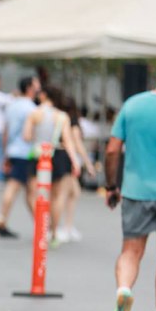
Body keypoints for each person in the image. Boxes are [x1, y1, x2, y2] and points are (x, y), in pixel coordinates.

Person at [106, 62, 156, 311]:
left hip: (135, 190)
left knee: (131, 251)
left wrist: (112, 185)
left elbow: (112, 150)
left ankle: (124, 290)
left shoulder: (133, 105)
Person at [22, 85, 80, 246]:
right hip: (58, 156)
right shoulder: (63, 116)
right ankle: (53, 232)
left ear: (44, 95)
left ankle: (41, 227)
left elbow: (26, 136)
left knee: (34, 194)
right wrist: (75, 162)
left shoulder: (34, 113)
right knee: (57, 197)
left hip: (38, 156)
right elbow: (68, 141)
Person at [0, 76, 40, 238]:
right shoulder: (32, 108)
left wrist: (5, 153)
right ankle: (2, 219)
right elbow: (32, 133)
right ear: (30, 88)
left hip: (13, 150)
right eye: (36, 83)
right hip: (26, 152)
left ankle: (40, 226)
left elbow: (6, 131)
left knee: (29, 190)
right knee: (18, 187)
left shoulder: (12, 106)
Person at [57, 97, 96, 243]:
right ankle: (58, 228)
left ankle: (66, 226)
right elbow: (77, 143)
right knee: (63, 194)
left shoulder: (59, 117)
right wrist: (87, 163)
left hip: (61, 157)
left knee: (73, 193)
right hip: (68, 159)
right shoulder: (72, 121)